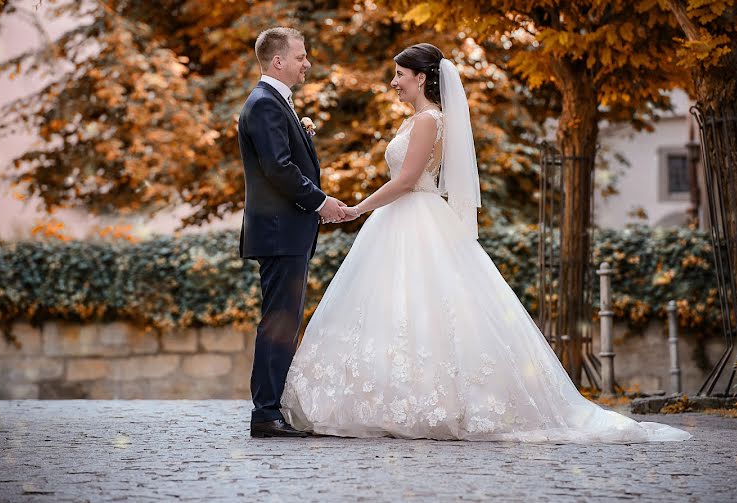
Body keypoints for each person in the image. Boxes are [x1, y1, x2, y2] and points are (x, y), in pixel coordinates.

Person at [280, 43, 692, 443]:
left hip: (415, 216)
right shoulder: (417, 120)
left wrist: (357, 209)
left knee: (424, 308)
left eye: (400, 75)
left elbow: (406, 181)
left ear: (422, 78)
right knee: (401, 308)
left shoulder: (428, 121)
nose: (394, 82)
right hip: (404, 220)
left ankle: (431, 402)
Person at [238, 27, 356, 438]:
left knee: (283, 321)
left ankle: (272, 410)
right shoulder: (266, 105)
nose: (307, 63)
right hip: (279, 232)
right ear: (278, 61)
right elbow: (279, 169)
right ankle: (266, 414)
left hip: (286, 231)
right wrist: (321, 202)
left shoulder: (274, 103)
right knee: (279, 322)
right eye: (301, 56)